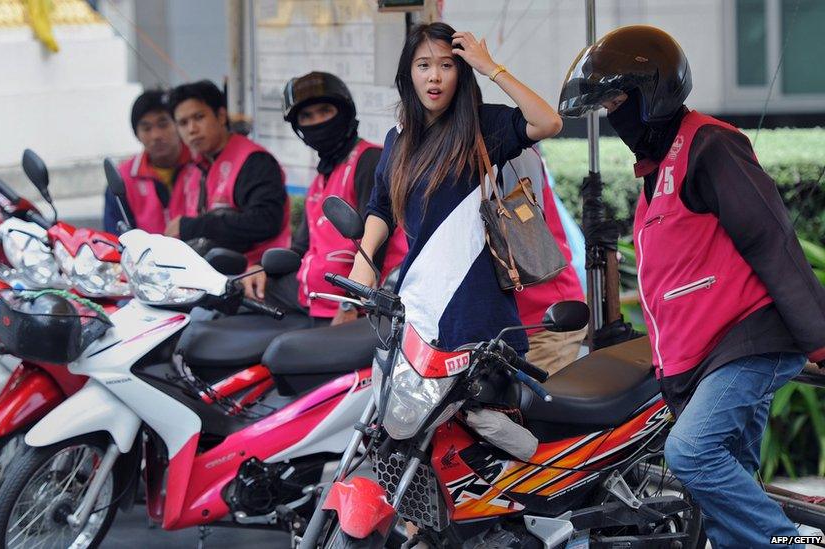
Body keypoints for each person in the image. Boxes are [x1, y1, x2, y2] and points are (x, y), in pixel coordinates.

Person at [559, 25, 825, 549]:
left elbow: (771, 239)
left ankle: (790, 543)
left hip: (749, 341)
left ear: (651, 94)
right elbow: (677, 281)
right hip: (708, 356)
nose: (613, 116)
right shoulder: (656, 171)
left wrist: (819, 337)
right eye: (606, 105)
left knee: (691, 455)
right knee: (730, 496)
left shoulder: (710, 145)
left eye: (618, 100)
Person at [346, 22, 562, 356]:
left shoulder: (485, 126)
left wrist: (491, 68)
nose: (434, 76)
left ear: (461, 73)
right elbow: (382, 207)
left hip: (479, 318)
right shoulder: (398, 139)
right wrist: (364, 259)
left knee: (487, 409)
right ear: (409, 74)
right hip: (418, 310)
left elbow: (548, 122)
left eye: (446, 65)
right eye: (424, 65)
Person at [241, 71, 408, 326]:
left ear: (344, 112)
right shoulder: (320, 181)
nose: (317, 121)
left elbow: (377, 239)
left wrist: (351, 304)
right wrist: (260, 269)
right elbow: (300, 248)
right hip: (313, 298)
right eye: (307, 116)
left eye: (324, 111)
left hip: (362, 308)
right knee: (239, 296)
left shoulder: (369, 160)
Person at [168, 80, 290, 264]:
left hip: (257, 272)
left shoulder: (254, 160)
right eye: (183, 123)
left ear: (221, 116)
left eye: (199, 117)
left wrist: (194, 226)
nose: (192, 129)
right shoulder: (195, 168)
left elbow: (266, 221)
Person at [505, 145, 586, 375]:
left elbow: (526, 230)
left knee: (533, 409)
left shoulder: (515, 153)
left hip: (544, 318)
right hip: (514, 324)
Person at [104, 88, 191, 235]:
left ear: (178, 125)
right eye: (146, 128)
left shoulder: (201, 165)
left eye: (163, 124)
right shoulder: (123, 180)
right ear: (137, 135)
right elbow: (115, 238)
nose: (156, 135)